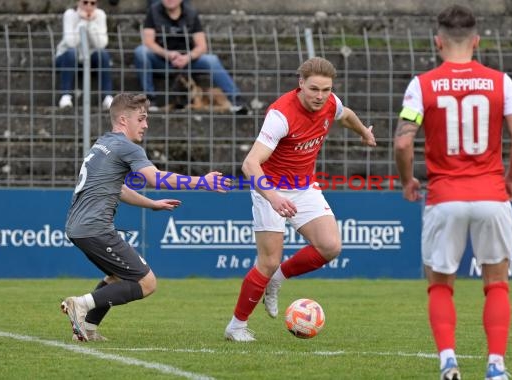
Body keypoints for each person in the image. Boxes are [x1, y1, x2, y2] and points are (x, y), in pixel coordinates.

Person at [393, 5, 512, 380]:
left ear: (437, 41)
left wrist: (408, 180)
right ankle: (496, 366)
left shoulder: (422, 84)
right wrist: (511, 179)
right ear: (476, 41)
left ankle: (449, 362)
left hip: (445, 197)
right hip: (491, 194)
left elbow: (403, 143)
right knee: (496, 282)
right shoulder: (501, 81)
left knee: (440, 284)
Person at [224, 57, 376, 342]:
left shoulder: (330, 102)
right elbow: (250, 164)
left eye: (326, 90)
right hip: (269, 187)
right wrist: (272, 197)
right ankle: (236, 326)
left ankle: (276, 281)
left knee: (330, 246)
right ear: (300, 84)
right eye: (314, 89)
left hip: (304, 187)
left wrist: (364, 132)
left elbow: (346, 114)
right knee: (267, 261)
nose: (320, 97)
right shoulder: (280, 115)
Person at [61, 93, 231, 342]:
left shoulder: (103, 143)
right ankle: (81, 304)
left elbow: (118, 188)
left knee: (118, 276)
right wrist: (201, 182)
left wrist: (150, 203)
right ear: (122, 119)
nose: (145, 125)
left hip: (78, 227)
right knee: (147, 282)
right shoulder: (127, 147)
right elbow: (155, 178)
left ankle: (87, 329)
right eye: (141, 119)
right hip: (95, 228)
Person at [133, 0, 249, 114]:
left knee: (211, 60)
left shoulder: (191, 12)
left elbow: (202, 46)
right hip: (162, 60)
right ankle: (149, 100)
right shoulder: (154, 11)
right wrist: (168, 54)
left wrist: (188, 57)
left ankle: (236, 100)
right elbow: (148, 42)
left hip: (188, 61)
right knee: (141, 52)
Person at [55, 0, 114, 110]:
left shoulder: (100, 15)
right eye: (85, 2)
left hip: (90, 57)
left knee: (104, 55)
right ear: (78, 2)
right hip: (67, 57)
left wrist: (90, 23)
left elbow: (101, 44)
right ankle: (65, 96)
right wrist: (83, 22)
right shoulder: (70, 14)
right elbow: (70, 43)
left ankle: (107, 97)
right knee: (71, 53)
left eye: (93, 3)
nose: (88, 6)